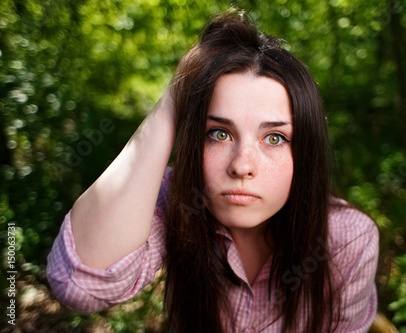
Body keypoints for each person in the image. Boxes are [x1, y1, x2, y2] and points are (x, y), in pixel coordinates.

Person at [47, 11, 379, 333]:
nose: (241, 166)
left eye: (275, 138)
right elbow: (81, 285)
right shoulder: (178, 198)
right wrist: (177, 95)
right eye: (219, 133)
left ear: (305, 151)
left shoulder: (348, 240)